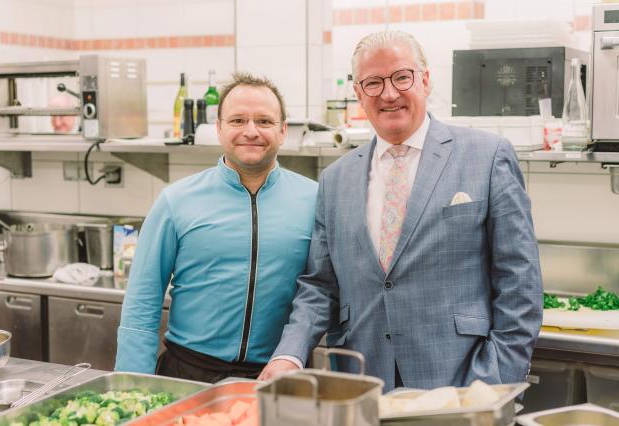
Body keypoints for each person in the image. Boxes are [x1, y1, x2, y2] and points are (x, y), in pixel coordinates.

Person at [260, 30, 543, 391]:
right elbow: (320, 286)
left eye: (401, 77)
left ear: (425, 80)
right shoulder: (335, 179)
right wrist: (289, 355)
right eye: (373, 83)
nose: (389, 93)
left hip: (463, 383)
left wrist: (496, 380)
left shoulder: (487, 156)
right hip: (362, 381)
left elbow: (520, 282)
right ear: (358, 93)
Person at [115, 72, 318, 383]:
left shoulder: (314, 200)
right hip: (189, 373)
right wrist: (132, 387)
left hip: (277, 375)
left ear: (282, 131)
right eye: (238, 120)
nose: (251, 131)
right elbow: (142, 301)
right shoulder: (176, 201)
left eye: (264, 121)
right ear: (219, 128)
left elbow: (321, 292)